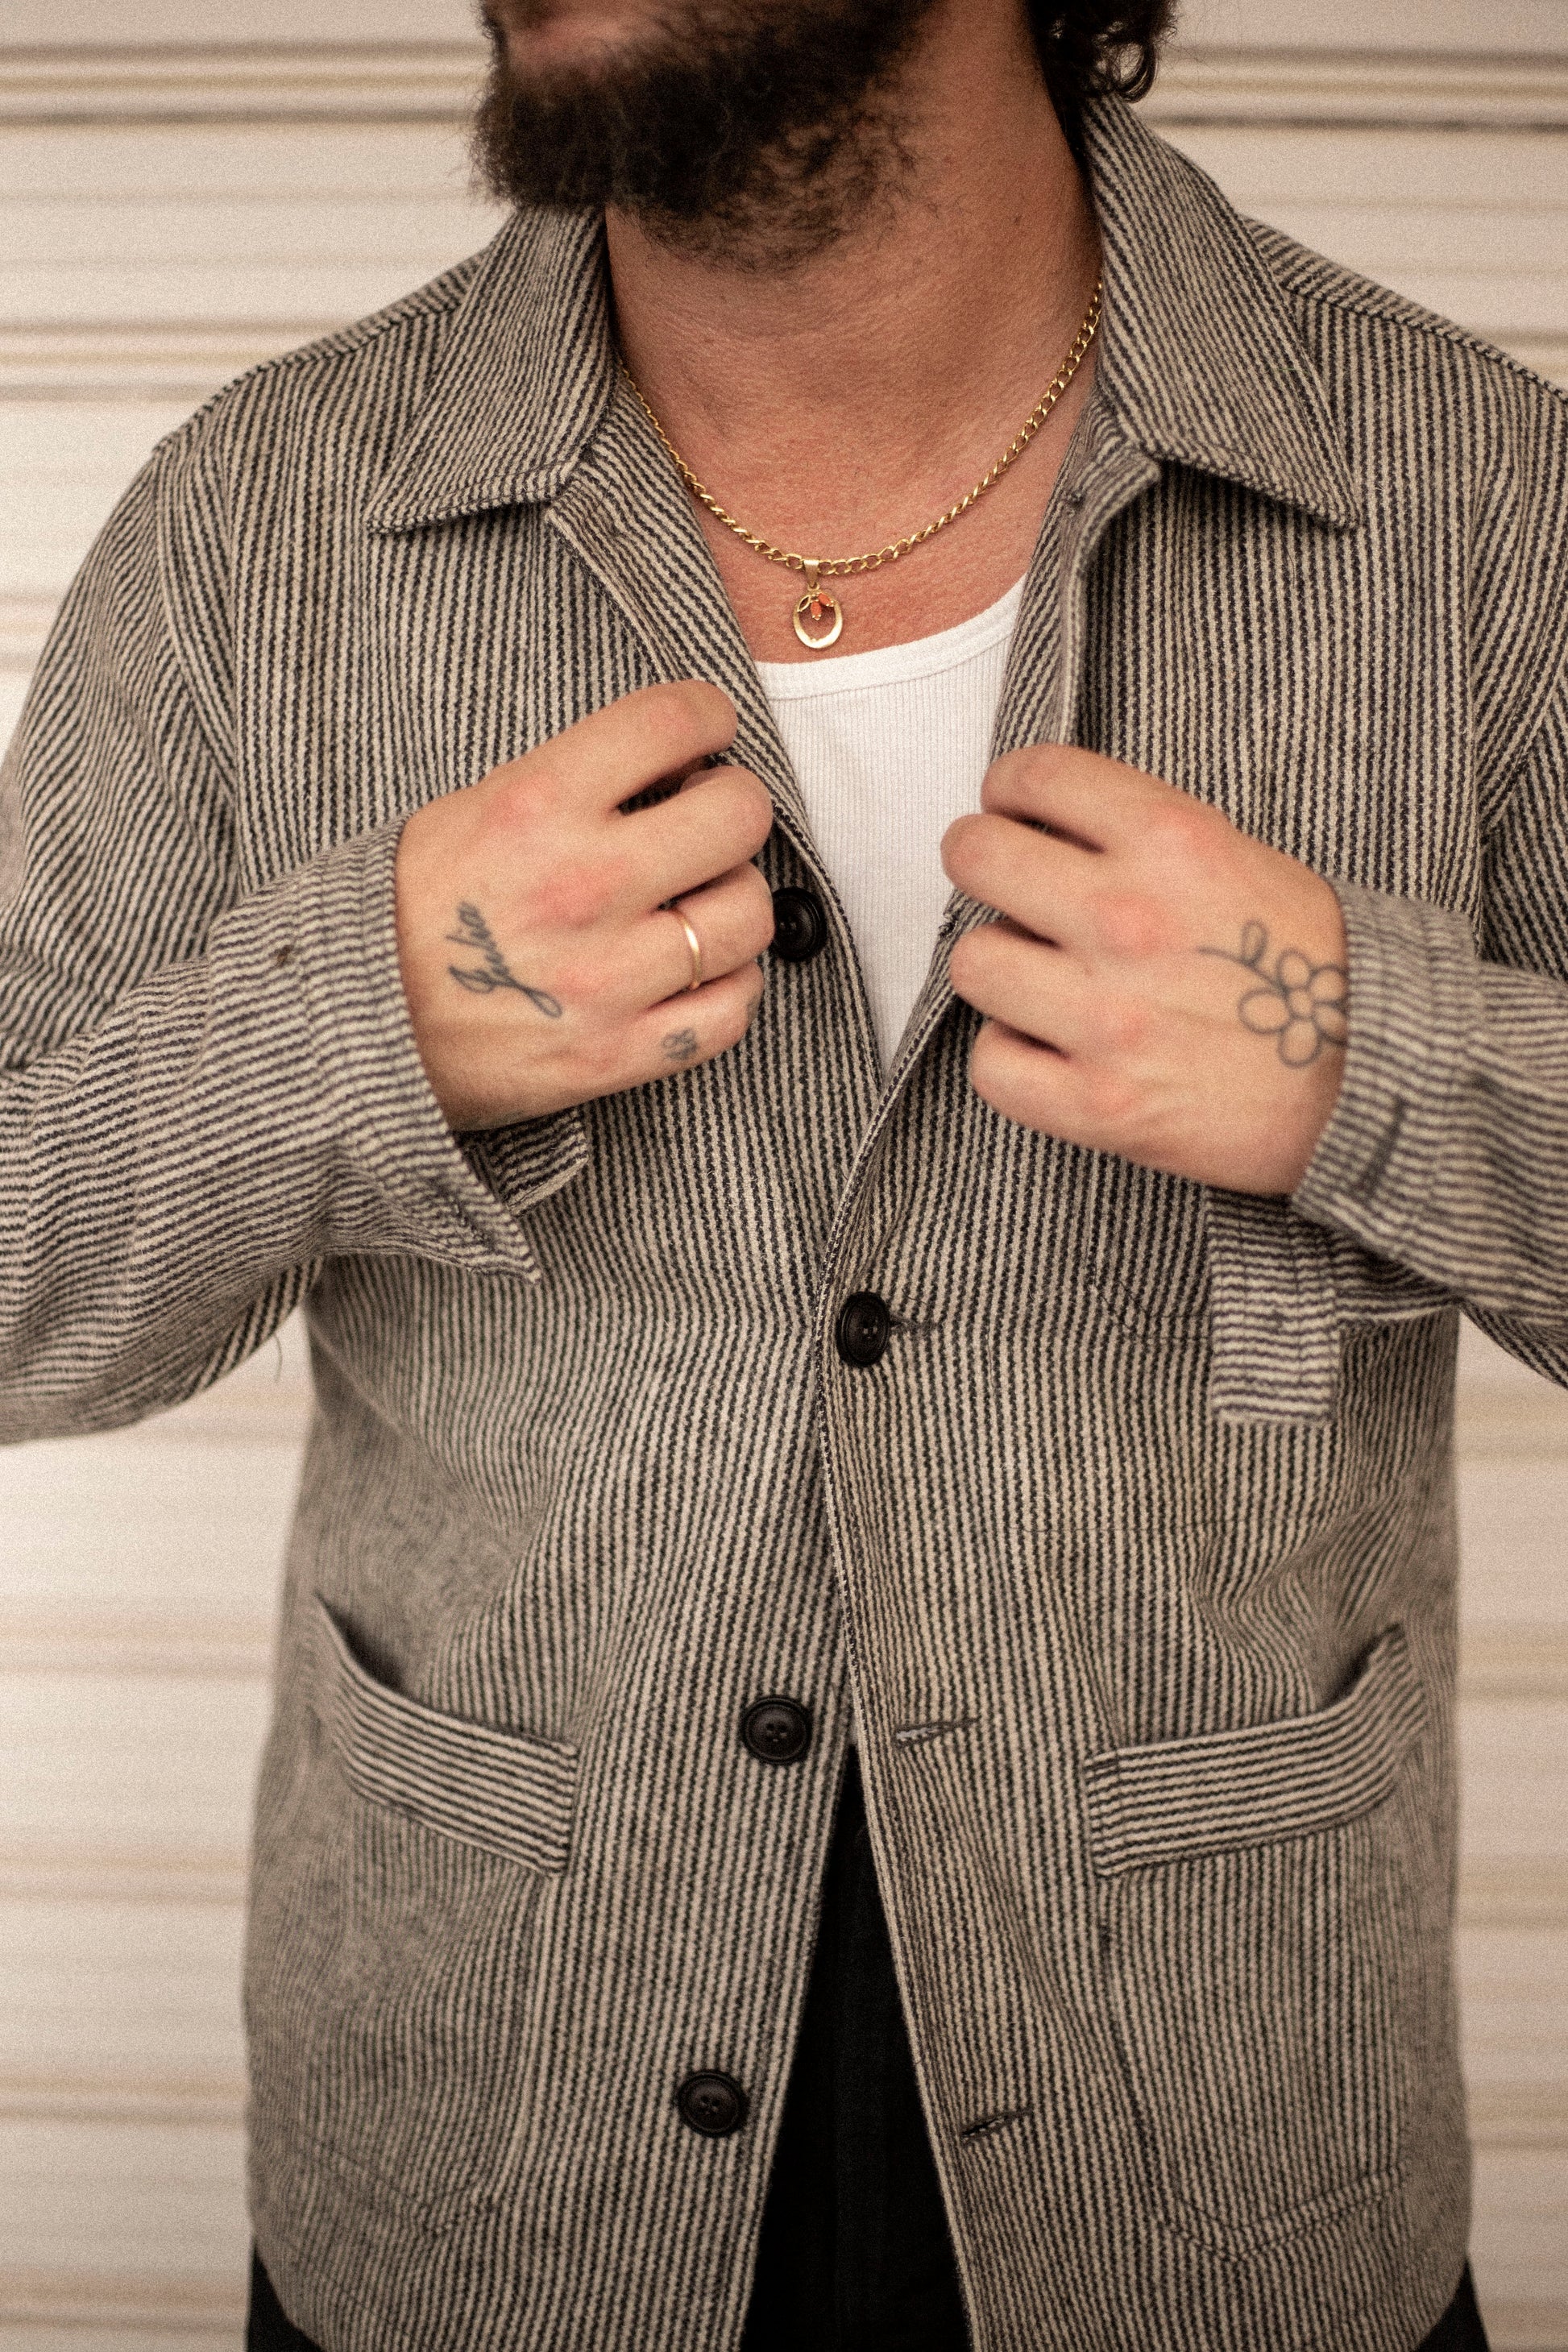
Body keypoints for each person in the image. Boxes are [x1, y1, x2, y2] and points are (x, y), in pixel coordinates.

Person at [2, 0, 1562, 2341]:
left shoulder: (1477, 508)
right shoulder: (263, 524)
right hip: (486, 2177)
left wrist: (1361, 1054)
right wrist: (352, 1029)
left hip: (1221, 2181)